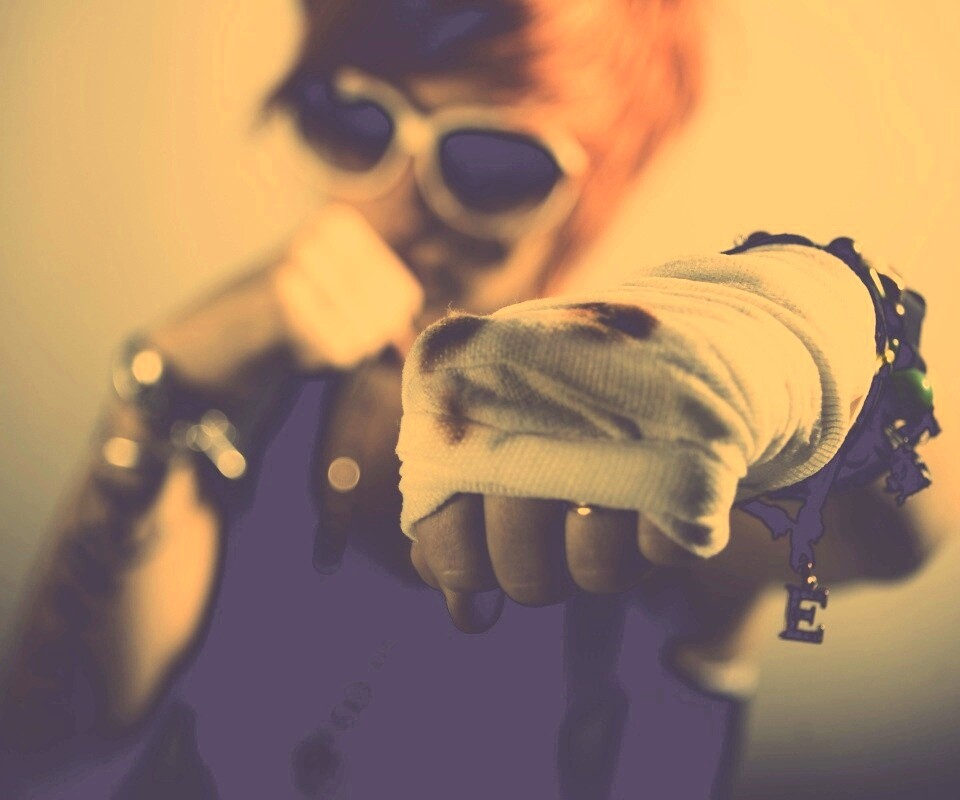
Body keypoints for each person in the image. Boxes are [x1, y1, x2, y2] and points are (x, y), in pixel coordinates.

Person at [0, 1, 942, 798]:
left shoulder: (652, 450)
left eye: (492, 161)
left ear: (599, 186)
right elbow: (51, 745)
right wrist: (167, 380)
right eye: (355, 121)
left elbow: (899, 528)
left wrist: (811, 348)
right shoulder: (266, 399)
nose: (404, 204)